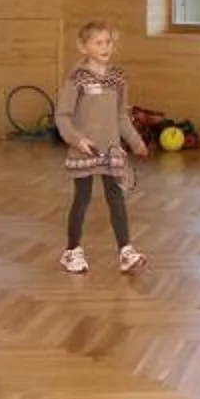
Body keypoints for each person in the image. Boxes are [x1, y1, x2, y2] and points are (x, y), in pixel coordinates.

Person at [57, 20, 150, 273]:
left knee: (116, 198)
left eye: (108, 41)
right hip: (84, 151)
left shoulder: (118, 79)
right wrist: (77, 140)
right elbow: (62, 116)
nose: (105, 46)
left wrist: (135, 141)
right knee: (82, 199)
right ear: (83, 46)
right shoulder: (76, 80)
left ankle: (126, 252)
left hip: (111, 151)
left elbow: (121, 117)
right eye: (98, 42)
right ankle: (72, 251)